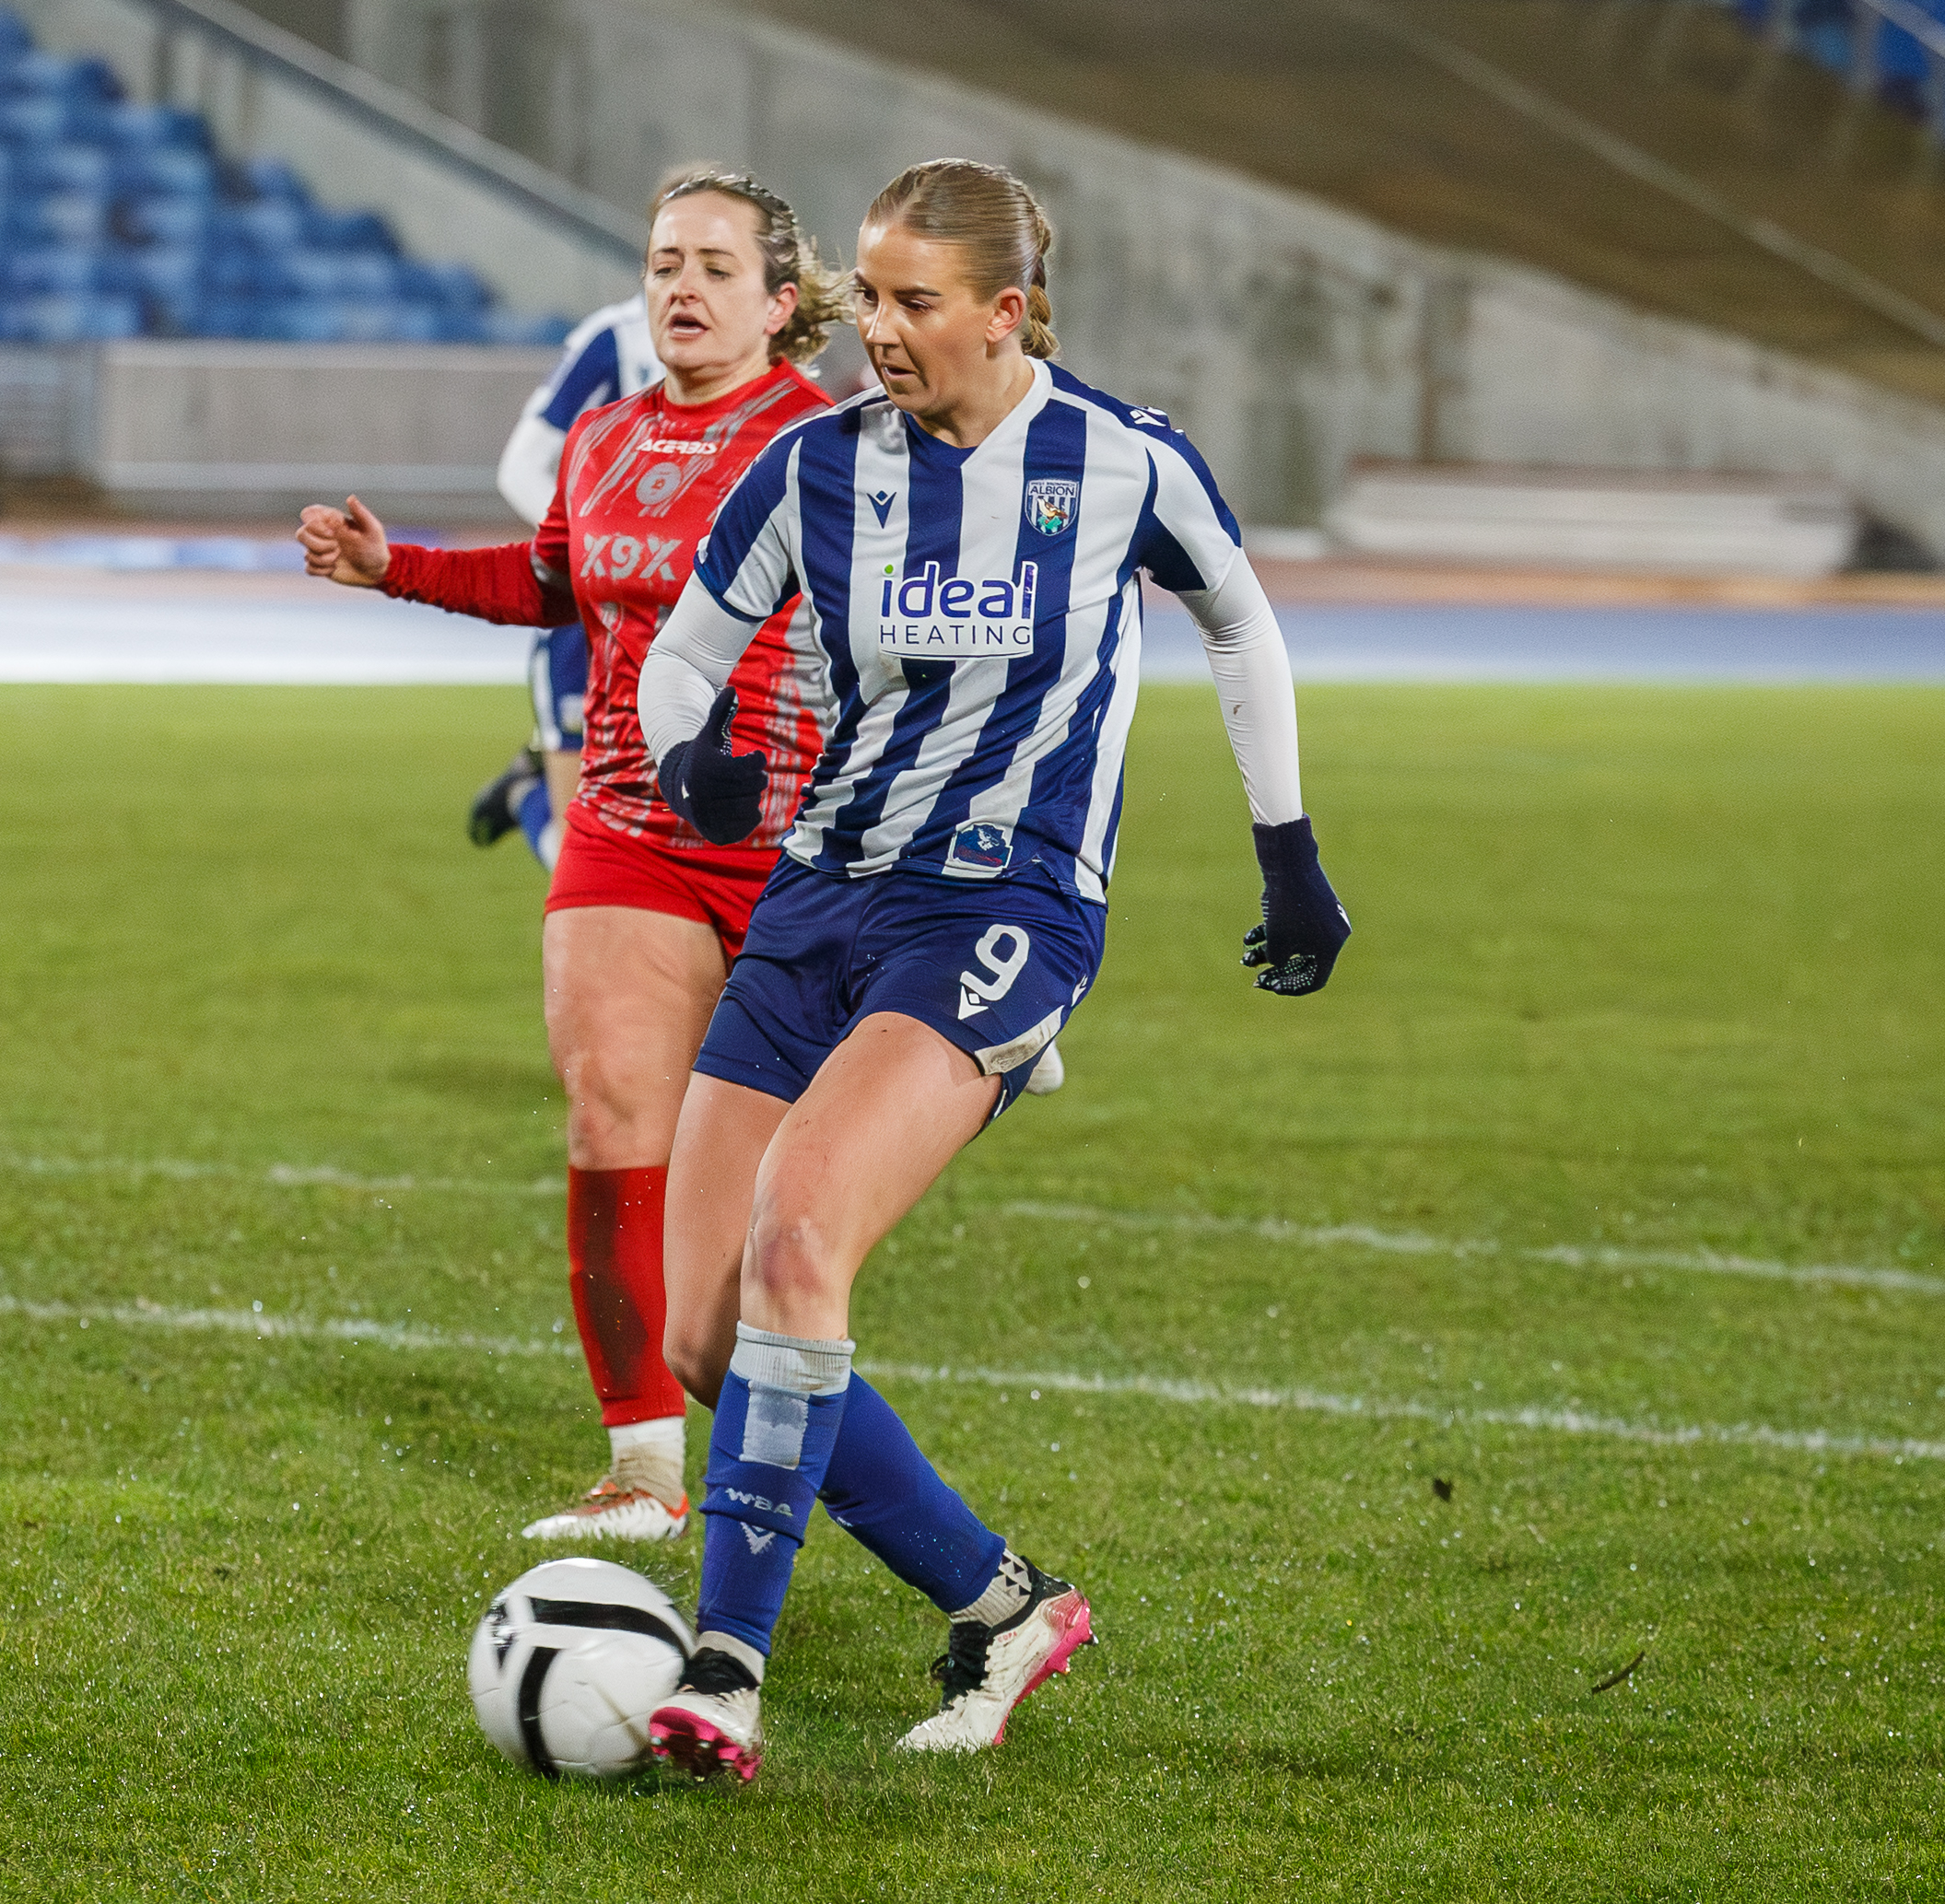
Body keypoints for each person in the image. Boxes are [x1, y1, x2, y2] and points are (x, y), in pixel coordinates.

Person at [637, 158, 1352, 1781]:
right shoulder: (815, 465)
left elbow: (1240, 623)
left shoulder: (1116, 460)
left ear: (1004, 311)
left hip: (1001, 909)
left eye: (912, 302)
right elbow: (688, 653)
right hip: (821, 899)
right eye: (868, 297)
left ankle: (723, 1665)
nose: (874, 329)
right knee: (700, 1331)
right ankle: (1001, 1601)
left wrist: (1287, 849)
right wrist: (694, 768)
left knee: (799, 1236)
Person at [296, 168, 846, 1544]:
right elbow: (555, 578)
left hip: (796, 849)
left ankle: (787, 1465)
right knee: (610, 1114)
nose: (682, 286)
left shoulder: (833, 445)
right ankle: (643, 1470)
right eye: (666, 259)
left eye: (717, 265)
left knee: (773, 1205)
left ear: (780, 304)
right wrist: (399, 567)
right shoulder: (602, 436)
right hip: (626, 828)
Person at [464, 274, 665, 870]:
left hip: (703, 625)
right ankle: (530, 801)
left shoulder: (769, 360)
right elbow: (521, 465)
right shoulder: (619, 341)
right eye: (672, 259)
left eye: (718, 263)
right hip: (593, 621)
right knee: (587, 861)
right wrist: (605, 550)